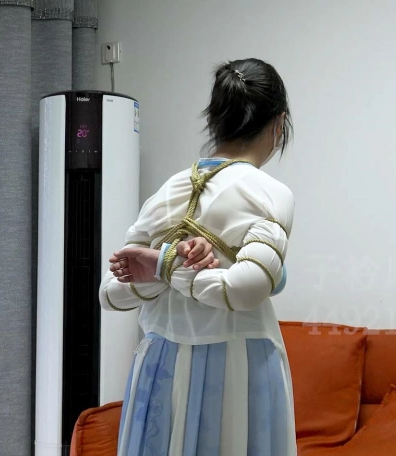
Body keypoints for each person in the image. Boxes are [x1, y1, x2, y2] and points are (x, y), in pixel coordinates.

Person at [98, 58, 296, 456]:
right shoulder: (268, 193)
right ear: (278, 124)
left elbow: (112, 294)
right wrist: (168, 264)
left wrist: (161, 265)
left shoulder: (167, 192)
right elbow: (245, 289)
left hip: (158, 365)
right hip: (236, 364)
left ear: (215, 120)